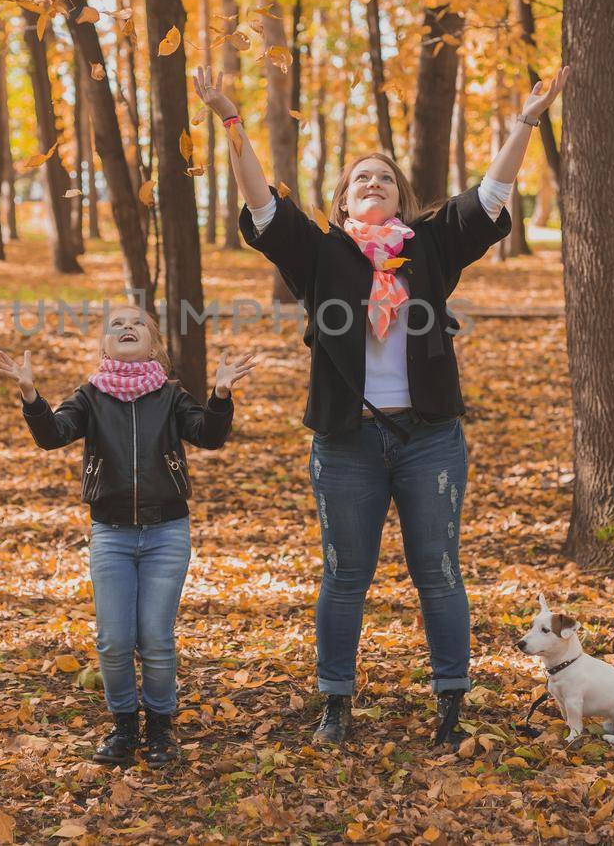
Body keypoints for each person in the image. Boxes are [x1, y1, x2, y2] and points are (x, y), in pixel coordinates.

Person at [193, 63, 570, 748]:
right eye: (361, 178)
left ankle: (451, 699)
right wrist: (229, 120)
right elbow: (262, 205)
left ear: (400, 198)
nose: (374, 183)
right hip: (347, 441)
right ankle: (335, 700)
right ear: (341, 201)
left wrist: (528, 120)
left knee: (438, 569)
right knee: (344, 573)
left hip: (429, 438)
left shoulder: (429, 246)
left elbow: (491, 193)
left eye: (385, 178)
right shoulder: (321, 254)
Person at [0, 306, 256, 768]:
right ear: (104, 346)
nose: (127, 327)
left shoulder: (171, 395)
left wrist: (219, 395)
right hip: (111, 534)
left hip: (166, 532)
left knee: (155, 637)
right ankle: (123, 726)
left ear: (153, 344)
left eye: (137, 323)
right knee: (114, 640)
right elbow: (53, 435)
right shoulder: (90, 396)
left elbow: (208, 436)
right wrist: (31, 394)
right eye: (116, 324)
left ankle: (160, 726)